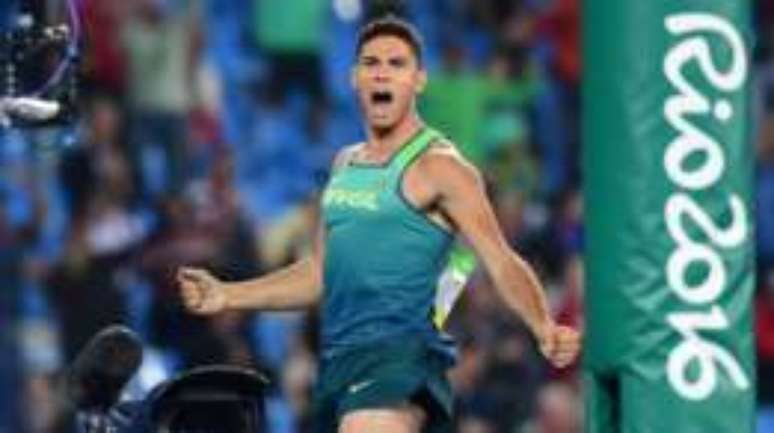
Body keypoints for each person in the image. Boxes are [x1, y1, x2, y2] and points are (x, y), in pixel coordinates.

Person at [177, 16, 581, 433]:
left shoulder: (443, 168)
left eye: (396, 63)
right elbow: (318, 275)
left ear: (419, 80)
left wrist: (543, 326)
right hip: (344, 365)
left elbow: (500, 260)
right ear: (355, 78)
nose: (382, 73)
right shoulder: (344, 165)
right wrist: (228, 295)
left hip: (403, 362)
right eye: (371, 63)